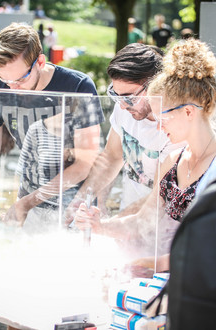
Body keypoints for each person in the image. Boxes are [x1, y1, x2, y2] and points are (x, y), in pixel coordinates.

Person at [73, 38, 216, 273]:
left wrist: (156, 264)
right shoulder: (173, 160)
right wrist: (99, 226)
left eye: (163, 118)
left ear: (188, 111)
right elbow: (142, 221)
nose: (158, 126)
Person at [0, 23, 103, 231]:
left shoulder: (78, 87)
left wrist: (26, 203)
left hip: (74, 206)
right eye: (5, 79)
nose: (12, 88)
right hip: (28, 206)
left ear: (40, 62)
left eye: (20, 79)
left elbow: (84, 165)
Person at [65, 43, 181, 225]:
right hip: (126, 222)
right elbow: (111, 157)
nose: (122, 105)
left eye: (129, 97)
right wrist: (80, 202)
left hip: (163, 230)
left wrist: (109, 225)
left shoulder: (175, 126)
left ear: (157, 85)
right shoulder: (126, 109)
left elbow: (159, 196)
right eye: (115, 95)